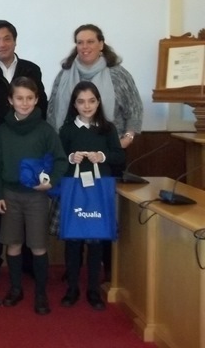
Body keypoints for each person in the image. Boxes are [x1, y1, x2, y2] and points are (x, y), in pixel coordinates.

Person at [47, 23, 143, 281]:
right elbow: (52, 110)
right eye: (80, 42)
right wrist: (60, 151)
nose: (85, 46)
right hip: (72, 161)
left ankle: (105, 273)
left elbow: (134, 109)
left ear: (101, 44)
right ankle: (73, 273)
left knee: (101, 216)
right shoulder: (65, 74)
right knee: (75, 215)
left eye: (90, 41)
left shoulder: (118, 74)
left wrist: (125, 140)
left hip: (107, 157)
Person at [0, 20, 48, 281]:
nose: (1, 44)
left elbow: (42, 107)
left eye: (6, 39)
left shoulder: (31, 69)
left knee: (26, 206)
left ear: (15, 40)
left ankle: (28, 263)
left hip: (28, 151)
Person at [0, 77, 67, 315]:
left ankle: (41, 293)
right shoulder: (3, 130)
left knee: (38, 246)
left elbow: (61, 160)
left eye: (29, 98)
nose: (24, 103)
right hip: (10, 195)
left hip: (36, 197)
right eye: (19, 98)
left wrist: (51, 181)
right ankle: (16, 289)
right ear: (10, 100)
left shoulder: (45, 130)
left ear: (36, 100)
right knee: (13, 243)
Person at [51, 81, 126, 311]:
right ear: (74, 104)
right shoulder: (67, 129)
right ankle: (72, 288)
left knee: (95, 242)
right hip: (74, 191)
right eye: (81, 101)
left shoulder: (108, 129)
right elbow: (58, 159)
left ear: (98, 102)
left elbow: (119, 157)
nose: (87, 106)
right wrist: (70, 158)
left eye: (91, 101)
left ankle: (93, 290)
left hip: (98, 192)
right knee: (73, 241)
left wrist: (102, 157)